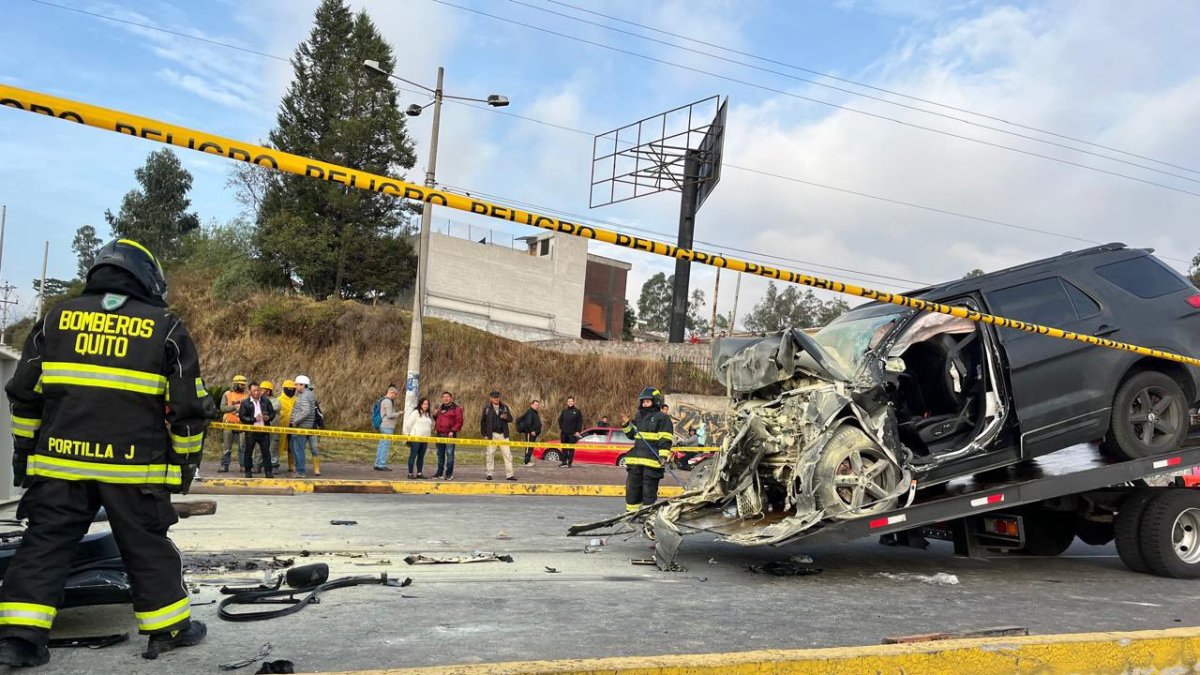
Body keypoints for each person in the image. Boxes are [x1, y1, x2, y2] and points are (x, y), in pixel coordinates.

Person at [0, 238, 212, 666]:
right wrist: (182, 471)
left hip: (61, 465)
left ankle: (18, 642)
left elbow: (24, 395)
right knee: (145, 546)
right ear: (148, 278)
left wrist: (25, 460)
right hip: (134, 470)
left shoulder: (55, 319)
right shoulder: (165, 327)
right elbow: (190, 410)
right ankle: (167, 630)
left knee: (44, 545)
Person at [622, 387, 674, 513]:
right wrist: (626, 425)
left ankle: (646, 513)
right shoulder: (638, 416)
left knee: (648, 490)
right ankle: (632, 513)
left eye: (647, 401)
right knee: (632, 488)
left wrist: (663, 456)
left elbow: (665, 438)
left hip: (652, 461)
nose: (644, 404)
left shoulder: (663, 418)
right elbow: (631, 435)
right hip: (636, 460)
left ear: (655, 402)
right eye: (643, 401)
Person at [238, 382, 276, 478]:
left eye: (258, 390)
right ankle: (248, 471)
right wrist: (253, 419)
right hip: (251, 431)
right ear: (250, 391)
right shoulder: (245, 403)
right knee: (248, 452)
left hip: (263, 430)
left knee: (266, 452)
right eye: (254, 391)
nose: (257, 393)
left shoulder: (266, 401)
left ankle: (268, 471)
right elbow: (242, 416)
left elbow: (272, 413)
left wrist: (268, 417)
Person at [288, 375, 320, 478]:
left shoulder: (305, 396)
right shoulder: (307, 394)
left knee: (298, 449)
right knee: (296, 447)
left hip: (301, 426)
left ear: (303, 385)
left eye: (297, 384)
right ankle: (299, 470)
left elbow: (305, 411)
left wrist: (295, 421)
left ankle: (300, 471)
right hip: (303, 425)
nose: (295, 386)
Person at [481, 390, 515, 481]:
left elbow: (511, 419)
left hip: (504, 435)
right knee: (490, 454)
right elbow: (483, 422)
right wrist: (484, 434)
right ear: (491, 398)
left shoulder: (504, 407)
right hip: (492, 435)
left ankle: (509, 474)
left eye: (497, 397)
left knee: (508, 454)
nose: (496, 399)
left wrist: (506, 417)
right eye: (494, 397)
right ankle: (489, 473)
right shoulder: (487, 408)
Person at [218, 374, 248, 472]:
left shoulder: (247, 395)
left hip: (242, 424)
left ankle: (243, 466)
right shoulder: (227, 394)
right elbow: (222, 408)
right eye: (241, 385)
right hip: (229, 423)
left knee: (243, 447)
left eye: (244, 385)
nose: (243, 386)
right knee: (227, 447)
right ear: (236, 384)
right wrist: (234, 407)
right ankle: (224, 465)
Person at [433, 391, 463, 480]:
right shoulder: (440, 407)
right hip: (439, 434)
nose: (446, 398)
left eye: (447, 396)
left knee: (450, 454)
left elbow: (459, 421)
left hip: (450, 434)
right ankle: (439, 473)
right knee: (440, 454)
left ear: (451, 398)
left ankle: (449, 474)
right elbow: (438, 419)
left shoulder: (456, 408)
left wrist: (453, 431)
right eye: (444, 397)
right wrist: (434, 414)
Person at [374, 386, 401, 472]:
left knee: (381, 445)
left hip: (383, 425)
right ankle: (381, 464)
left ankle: (377, 463)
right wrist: (398, 414)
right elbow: (389, 415)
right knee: (385, 445)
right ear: (392, 393)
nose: (396, 396)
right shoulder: (388, 401)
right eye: (395, 394)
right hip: (387, 426)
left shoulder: (383, 400)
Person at [405, 397, 434, 478]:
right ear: (421, 404)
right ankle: (410, 473)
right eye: (424, 404)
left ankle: (419, 473)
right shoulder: (415, 413)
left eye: (427, 404)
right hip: (416, 438)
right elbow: (408, 425)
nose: (426, 405)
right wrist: (408, 435)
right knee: (413, 455)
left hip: (425, 439)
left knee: (421, 457)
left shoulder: (427, 414)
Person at [257, 380, 281, 473]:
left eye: (263, 390)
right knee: (259, 447)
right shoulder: (257, 401)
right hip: (261, 428)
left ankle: (273, 465)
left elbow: (270, 409)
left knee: (273, 447)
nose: (260, 392)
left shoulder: (276, 401)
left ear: (268, 391)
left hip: (273, 429)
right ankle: (258, 464)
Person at [276, 379, 297, 474]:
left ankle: (291, 465)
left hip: (293, 427)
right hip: (281, 427)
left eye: (293, 389)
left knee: (291, 447)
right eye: (289, 389)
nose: (291, 391)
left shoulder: (296, 399)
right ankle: (274, 464)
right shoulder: (279, 400)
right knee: (276, 446)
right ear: (284, 389)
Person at [557, 396, 584, 468]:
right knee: (564, 448)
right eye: (569, 401)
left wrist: (578, 431)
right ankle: (564, 462)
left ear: (574, 402)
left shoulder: (577, 411)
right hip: (564, 433)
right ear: (567, 402)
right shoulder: (564, 411)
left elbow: (580, 422)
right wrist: (561, 428)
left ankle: (569, 463)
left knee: (571, 449)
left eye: (571, 401)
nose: (570, 403)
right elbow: (560, 420)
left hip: (573, 434)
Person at [518, 400, 543, 465]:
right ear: (531, 405)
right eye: (535, 405)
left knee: (531, 447)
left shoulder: (534, 412)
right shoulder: (530, 412)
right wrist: (531, 430)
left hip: (533, 433)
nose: (537, 406)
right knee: (528, 447)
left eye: (537, 405)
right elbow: (528, 422)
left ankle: (528, 461)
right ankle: (526, 462)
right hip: (530, 433)